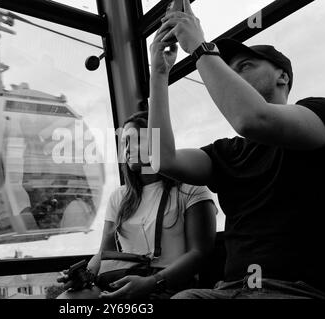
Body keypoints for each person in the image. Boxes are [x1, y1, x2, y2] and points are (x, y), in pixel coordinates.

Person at [148, 0, 325, 299]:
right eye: (229, 70)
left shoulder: (318, 113)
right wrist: (158, 75)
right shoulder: (227, 153)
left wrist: (199, 47)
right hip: (228, 291)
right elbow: (161, 159)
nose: (233, 75)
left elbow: (252, 118)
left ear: (282, 76)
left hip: (297, 290)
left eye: (244, 66)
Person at [57, 111, 217, 299]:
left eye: (137, 140)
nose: (128, 148)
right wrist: (86, 276)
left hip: (171, 286)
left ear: (158, 142)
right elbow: (104, 253)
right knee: (67, 300)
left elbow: (200, 253)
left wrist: (154, 281)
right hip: (122, 283)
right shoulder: (119, 197)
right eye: (124, 142)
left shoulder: (191, 188)